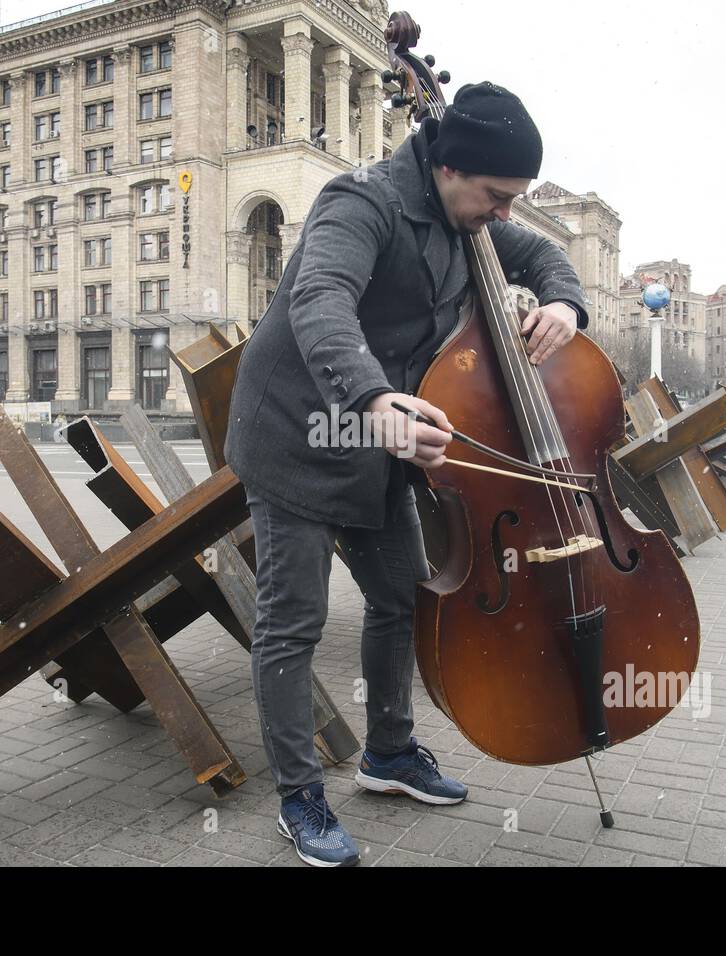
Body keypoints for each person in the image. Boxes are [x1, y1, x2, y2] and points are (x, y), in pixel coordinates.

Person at [224, 63, 590, 866]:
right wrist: (373, 401)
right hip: (304, 429)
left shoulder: (477, 217)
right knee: (293, 622)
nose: (504, 214)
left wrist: (565, 303)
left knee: (401, 599)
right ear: (447, 166)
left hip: (386, 434)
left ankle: (389, 754)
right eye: (496, 195)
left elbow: (547, 258)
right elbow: (319, 300)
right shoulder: (362, 202)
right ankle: (300, 798)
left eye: (512, 200)